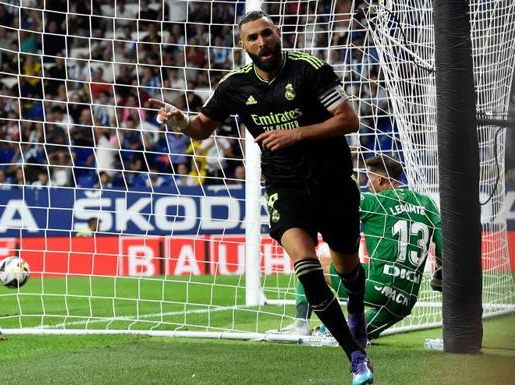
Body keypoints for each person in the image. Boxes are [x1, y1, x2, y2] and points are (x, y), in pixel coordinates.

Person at [148, 10, 373, 385]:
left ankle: (356, 308)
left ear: (277, 33)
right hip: (285, 188)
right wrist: (179, 121)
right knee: (306, 268)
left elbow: (349, 120)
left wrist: (295, 134)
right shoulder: (235, 85)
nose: (261, 42)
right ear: (243, 45)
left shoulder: (310, 69)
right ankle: (355, 355)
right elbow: (201, 129)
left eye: (266, 34)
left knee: (348, 269)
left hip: (333, 184)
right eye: (252, 38)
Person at [270, 155, 443, 339]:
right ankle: (339, 332)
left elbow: (333, 213)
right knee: (352, 334)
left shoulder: (373, 203)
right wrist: (440, 271)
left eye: (369, 178)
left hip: (375, 287)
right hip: (405, 301)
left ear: (380, 180)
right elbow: (442, 236)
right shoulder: (427, 203)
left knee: (312, 262)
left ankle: (301, 324)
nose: (368, 183)